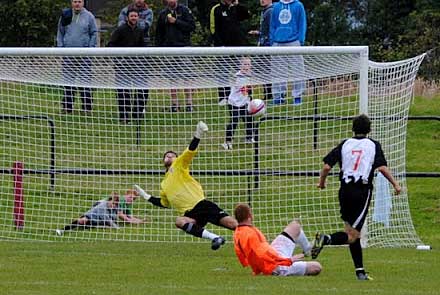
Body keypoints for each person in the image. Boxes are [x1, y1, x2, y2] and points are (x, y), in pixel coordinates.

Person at [312, 114, 402, 280]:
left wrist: (322, 183)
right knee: (353, 235)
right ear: (369, 129)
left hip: (344, 191)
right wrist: (395, 184)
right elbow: (381, 168)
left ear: (353, 129)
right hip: (361, 192)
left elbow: (325, 167)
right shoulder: (373, 145)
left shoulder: (345, 144)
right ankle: (327, 239)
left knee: (352, 233)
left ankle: (360, 272)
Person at [134, 121, 238, 250]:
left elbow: (190, 150)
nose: (169, 156)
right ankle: (215, 238)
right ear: (163, 161)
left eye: (172, 156)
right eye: (167, 156)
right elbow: (164, 203)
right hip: (190, 214)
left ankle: (255, 239)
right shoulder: (164, 184)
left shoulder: (178, 165)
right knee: (180, 221)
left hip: (201, 205)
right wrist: (146, 196)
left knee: (233, 225)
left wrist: (198, 134)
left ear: (176, 159)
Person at [233, 203, 322, 276]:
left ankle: (308, 250)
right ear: (250, 215)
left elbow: (245, 257)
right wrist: (288, 261)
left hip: (274, 254)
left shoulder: (239, 231)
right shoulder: (250, 234)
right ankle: (308, 251)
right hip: (277, 266)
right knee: (317, 267)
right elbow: (262, 255)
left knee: (295, 226)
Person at [108, 8, 149, 123]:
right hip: (123, 66)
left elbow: (144, 47)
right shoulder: (120, 30)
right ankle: (124, 116)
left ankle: (137, 114)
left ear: (138, 17)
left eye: (136, 16)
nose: (134, 18)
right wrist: (119, 59)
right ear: (127, 17)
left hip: (137, 66)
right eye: (132, 16)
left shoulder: (140, 30)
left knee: (143, 90)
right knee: (123, 92)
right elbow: (111, 44)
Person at [57, 0, 98, 114]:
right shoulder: (65, 15)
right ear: (71, 3)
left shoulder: (89, 17)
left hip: (85, 56)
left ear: (83, 3)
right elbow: (60, 32)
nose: (77, 4)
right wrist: (60, 48)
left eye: (79, 1)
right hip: (68, 55)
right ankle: (67, 107)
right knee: (68, 82)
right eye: (75, 1)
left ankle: (86, 108)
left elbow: (94, 33)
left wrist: (90, 49)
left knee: (85, 82)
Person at [156, 0, 195, 112]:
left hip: (184, 48)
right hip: (168, 50)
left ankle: (189, 104)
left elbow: (191, 27)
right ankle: (174, 104)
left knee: (187, 76)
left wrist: (176, 21)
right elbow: (159, 33)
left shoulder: (185, 11)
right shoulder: (163, 14)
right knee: (172, 78)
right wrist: (159, 49)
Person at [209, 0, 251, 105]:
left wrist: (237, 4)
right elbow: (213, 29)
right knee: (222, 73)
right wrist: (220, 45)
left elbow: (246, 15)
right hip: (223, 48)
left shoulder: (235, 8)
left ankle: (245, 95)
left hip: (238, 47)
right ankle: (224, 97)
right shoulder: (216, 9)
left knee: (242, 73)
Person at [269, 0, 306, 105]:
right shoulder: (276, 6)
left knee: (297, 70)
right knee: (277, 71)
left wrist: (300, 41)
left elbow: (302, 23)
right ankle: (278, 97)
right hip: (277, 42)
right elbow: (272, 25)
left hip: (294, 42)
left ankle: (297, 96)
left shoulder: (298, 5)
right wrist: (272, 41)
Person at [222, 57, 255, 150]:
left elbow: (249, 91)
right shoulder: (238, 76)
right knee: (234, 120)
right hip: (234, 102)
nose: (247, 66)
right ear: (240, 65)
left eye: (248, 64)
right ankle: (227, 141)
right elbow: (244, 90)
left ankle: (249, 137)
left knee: (249, 119)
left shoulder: (250, 76)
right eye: (245, 64)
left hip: (244, 102)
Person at [56, 195, 120, 236]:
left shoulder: (114, 208)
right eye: (113, 203)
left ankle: (91, 227)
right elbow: (107, 219)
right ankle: (62, 230)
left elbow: (114, 217)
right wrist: (117, 227)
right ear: (109, 201)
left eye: (116, 204)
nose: (114, 205)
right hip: (89, 218)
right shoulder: (102, 206)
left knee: (107, 226)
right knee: (83, 220)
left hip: (97, 222)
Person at [248, 0, 274, 101]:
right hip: (263, 44)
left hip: (267, 46)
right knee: (262, 70)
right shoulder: (264, 11)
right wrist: (258, 33)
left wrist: (268, 41)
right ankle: (267, 93)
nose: (262, 0)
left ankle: (270, 93)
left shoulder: (270, 11)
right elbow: (265, 30)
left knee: (266, 70)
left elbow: (271, 30)